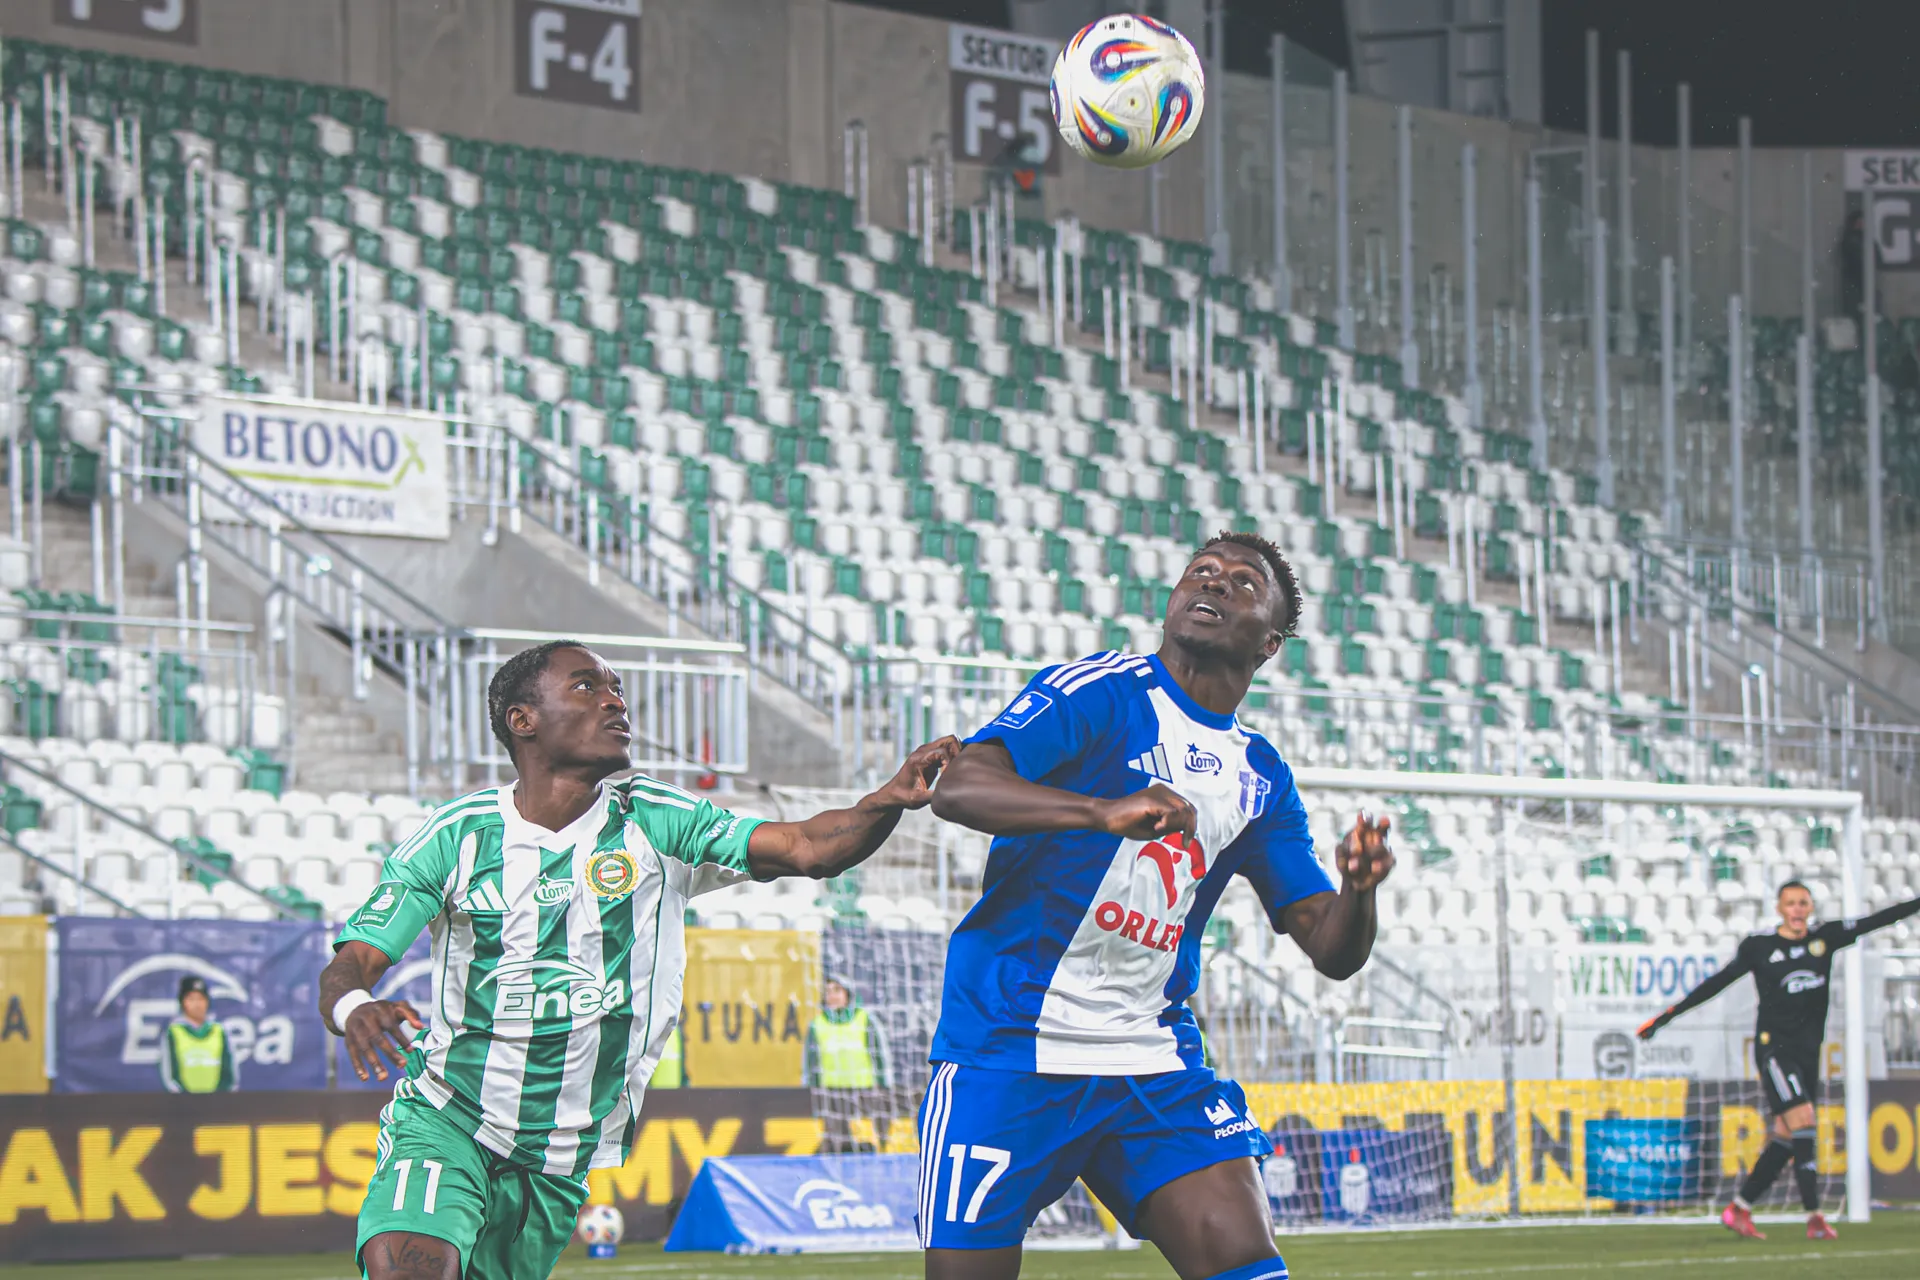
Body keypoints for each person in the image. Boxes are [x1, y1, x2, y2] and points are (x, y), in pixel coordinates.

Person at [317, 639, 958, 1280]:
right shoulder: (457, 835)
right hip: (445, 1119)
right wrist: (354, 1006)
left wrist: (885, 799)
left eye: (616, 689)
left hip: (558, 1159)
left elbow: (807, 848)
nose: (615, 701)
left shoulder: (654, 819)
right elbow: (354, 961)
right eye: (587, 687)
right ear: (523, 719)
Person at [920, 531, 1395, 1280]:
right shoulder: (1099, 690)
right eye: (1201, 571)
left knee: (1247, 1262)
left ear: (1269, 643)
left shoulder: (1260, 776)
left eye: (1242, 582)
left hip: (1150, 1056)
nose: (1213, 582)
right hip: (1008, 1045)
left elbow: (1331, 949)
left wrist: (1359, 891)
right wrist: (1101, 811)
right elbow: (959, 787)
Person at [1638, 879, 1920, 1240]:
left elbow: (1877, 920)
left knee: (1787, 1136)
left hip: (1808, 1054)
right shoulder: (1760, 947)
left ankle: (1739, 1208)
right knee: (1805, 1121)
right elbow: (1717, 983)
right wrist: (1666, 1017)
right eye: (1791, 903)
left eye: (1803, 903)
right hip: (1774, 1050)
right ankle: (1814, 1216)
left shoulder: (1824, 939)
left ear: (1810, 907)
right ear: (1780, 909)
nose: (1797, 910)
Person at [159, 975, 236, 1093]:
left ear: (207, 1002)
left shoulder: (219, 1031)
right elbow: (169, 1075)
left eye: (201, 999)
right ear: (182, 1002)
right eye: (191, 999)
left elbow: (229, 1074)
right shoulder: (173, 1032)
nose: (197, 1004)